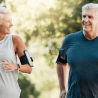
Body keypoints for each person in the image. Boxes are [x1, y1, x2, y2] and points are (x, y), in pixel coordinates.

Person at [56, 3, 98, 98]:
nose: (85, 20)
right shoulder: (70, 40)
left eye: (90, 17)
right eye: (84, 16)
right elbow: (60, 62)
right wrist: (62, 89)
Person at [0, 7, 32, 98]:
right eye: (8, 21)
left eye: (11, 21)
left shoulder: (15, 40)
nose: (12, 24)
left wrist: (16, 66)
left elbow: (29, 68)